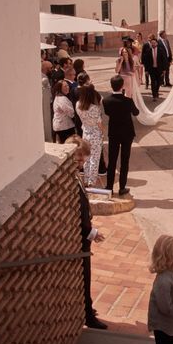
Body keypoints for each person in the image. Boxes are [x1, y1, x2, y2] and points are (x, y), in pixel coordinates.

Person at [65, 135, 108, 330]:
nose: (81, 163)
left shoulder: (75, 176)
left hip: (83, 237)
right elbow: (79, 214)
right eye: (79, 158)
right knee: (85, 276)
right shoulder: (69, 180)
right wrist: (93, 232)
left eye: (83, 159)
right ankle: (88, 315)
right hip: (80, 240)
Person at [102, 75, 139, 196]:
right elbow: (136, 112)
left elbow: (107, 113)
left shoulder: (106, 100)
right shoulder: (128, 100)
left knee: (112, 160)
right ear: (122, 86)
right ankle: (122, 187)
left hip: (114, 133)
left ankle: (109, 187)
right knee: (124, 160)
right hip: (127, 133)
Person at [75, 84, 104, 186]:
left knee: (86, 158)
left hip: (85, 133)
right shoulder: (94, 108)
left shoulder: (78, 105)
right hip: (95, 134)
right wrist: (103, 133)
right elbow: (99, 124)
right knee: (94, 159)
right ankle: (92, 181)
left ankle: (86, 180)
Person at [142, 35, 168, 102]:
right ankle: (154, 95)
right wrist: (146, 70)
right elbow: (146, 62)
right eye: (152, 43)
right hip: (152, 69)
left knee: (159, 81)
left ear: (157, 43)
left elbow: (164, 60)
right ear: (150, 43)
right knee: (153, 82)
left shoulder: (161, 50)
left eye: (154, 43)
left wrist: (164, 69)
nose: (153, 44)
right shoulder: (148, 51)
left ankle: (156, 91)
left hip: (159, 69)